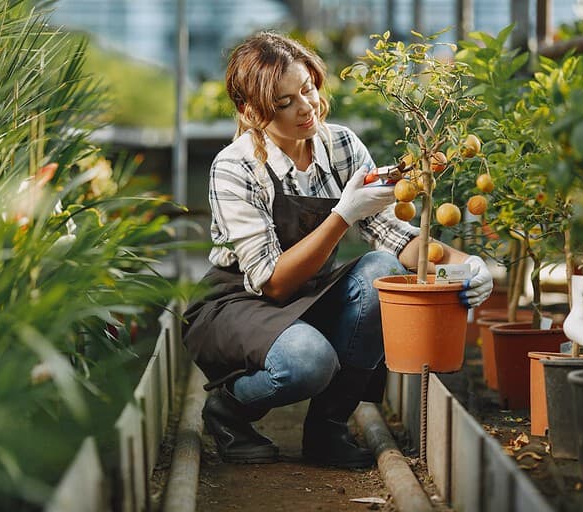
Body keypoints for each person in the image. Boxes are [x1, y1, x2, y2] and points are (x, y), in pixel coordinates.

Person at [182, 31, 493, 469]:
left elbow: (394, 236)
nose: (306, 108)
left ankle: (328, 430)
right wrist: (344, 213)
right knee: (308, 361)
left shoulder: (342, 146)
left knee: (380, 268)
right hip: (238, 302)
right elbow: (271, 282)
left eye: (307, 88)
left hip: (305, 294)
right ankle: (229, 411)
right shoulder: (235, 168)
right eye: (284, 102)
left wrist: (466, 266)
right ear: (251, 111)